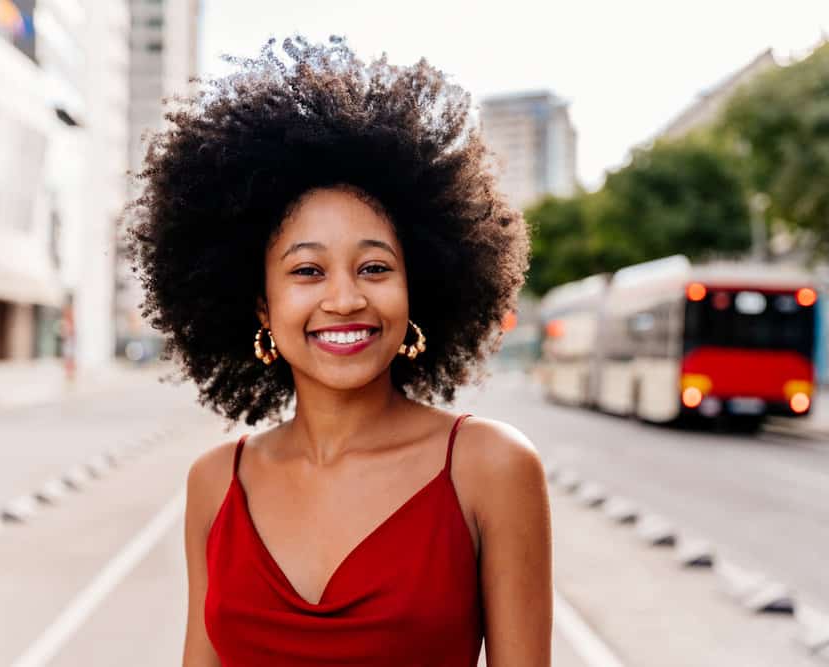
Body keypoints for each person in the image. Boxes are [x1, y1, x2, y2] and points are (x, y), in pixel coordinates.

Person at [125, 35, 552, 667]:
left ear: (419, 287)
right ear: (262, 305)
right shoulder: (216, 483)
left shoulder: (490, 468)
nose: (345, 299)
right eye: (307, 272)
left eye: (375, 267)